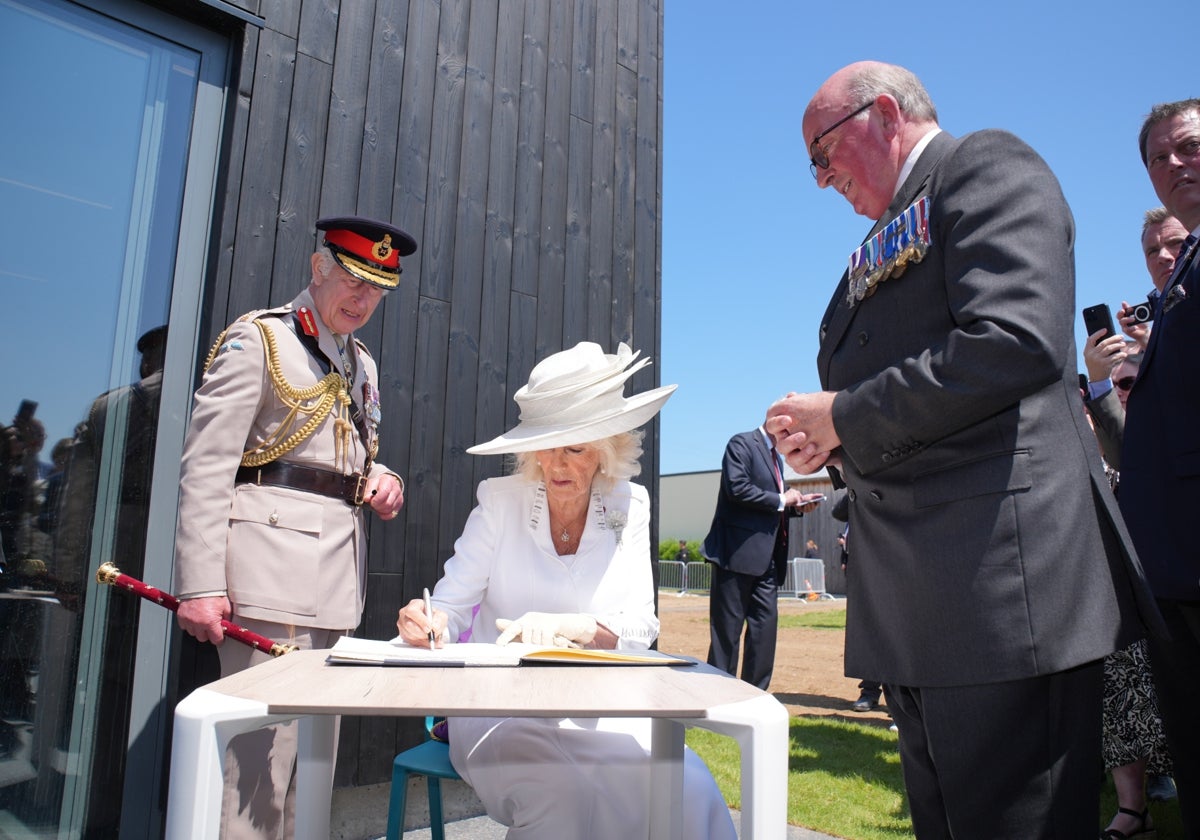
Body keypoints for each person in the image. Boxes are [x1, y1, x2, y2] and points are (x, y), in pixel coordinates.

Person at [766, 61, 1160, 838]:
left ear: (883, 113)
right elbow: (909, 400)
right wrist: (829, 441)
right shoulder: (877, 244)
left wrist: (846, 411)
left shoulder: (984, 167)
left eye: (821, 153)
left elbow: (1015, 342)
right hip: (920, 604)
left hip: (998, 593)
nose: (819, 180)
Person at [394, 341, 735, 840]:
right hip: (497, 708)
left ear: (607, 451)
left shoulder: (629, 504)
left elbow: (641, 626)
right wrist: (428, 620)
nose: (556, 463)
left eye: (574, 448)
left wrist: (582, 631)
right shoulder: (499, 503)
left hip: (598, 705)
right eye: (545, 444)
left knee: (690, 784)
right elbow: (449, 604)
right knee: (562, 796)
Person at [173, 216, 414, 839]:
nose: (362, 300)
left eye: (377, 290)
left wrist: (376, 477)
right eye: (353, 281)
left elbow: (328, 460)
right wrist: (199, 583)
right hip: (267, 584)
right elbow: (207, 465)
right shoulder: (261, 341)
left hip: (335, 587)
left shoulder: (362, 365)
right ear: (318, 268)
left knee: (311, 775)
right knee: (255, 778)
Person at [1120, 99, 1200, 837]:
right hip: (1170, 567)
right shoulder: (1174, 293)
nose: (1174, 164)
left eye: (1189, 146)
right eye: (1158, 157)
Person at [701, 426, 823, 690]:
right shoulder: (742, 444)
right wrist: (782, 498)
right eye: (795, 435)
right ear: (779, 426)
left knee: (764, 630)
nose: (797, 442)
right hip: (735, 554)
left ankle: (755, 694)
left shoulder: (774, 458)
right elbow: (737, 489)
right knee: (727, 632)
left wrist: (797, 505)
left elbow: (767, 508)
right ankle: (716, 693)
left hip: (767, 558)